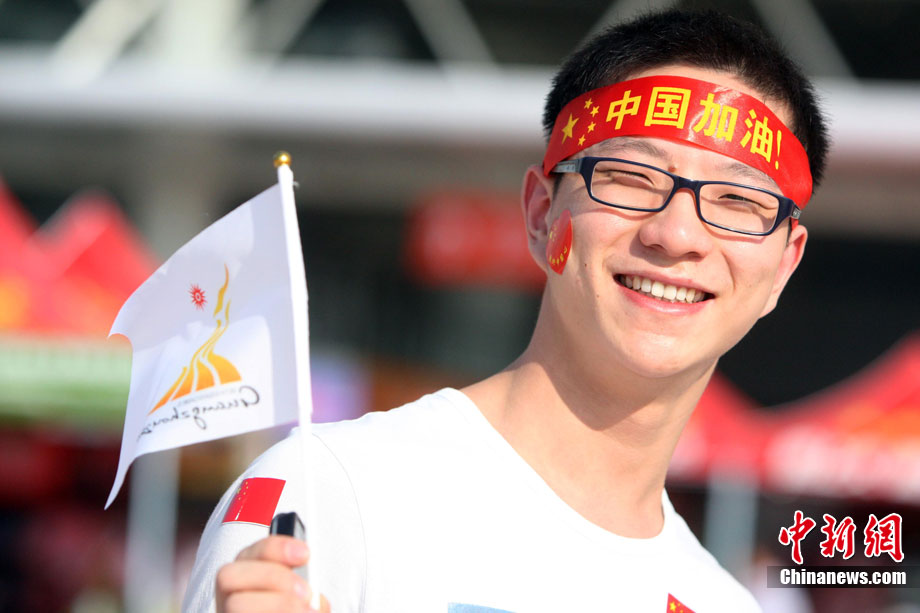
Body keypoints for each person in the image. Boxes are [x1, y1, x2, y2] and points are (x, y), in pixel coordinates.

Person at [184, 8, 829, 613]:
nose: (677, 234)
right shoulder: (330, 494)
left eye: (738, 202)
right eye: (632, 178)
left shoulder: (719, 602)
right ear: (542, 213)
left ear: (783, 266)